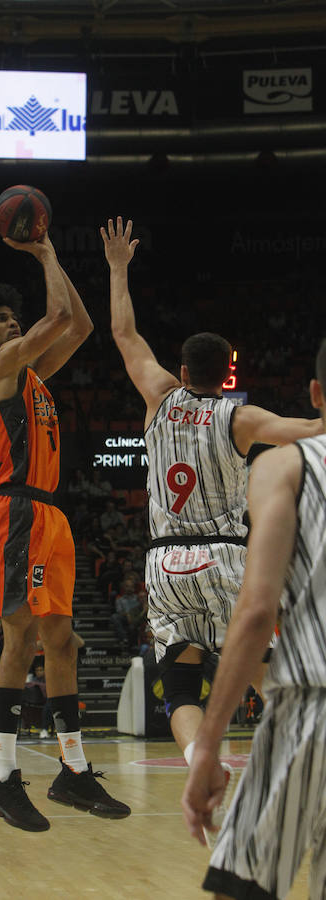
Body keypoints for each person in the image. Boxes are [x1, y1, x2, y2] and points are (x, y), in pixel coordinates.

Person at [101, 215, 324, 769]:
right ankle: (304, 757)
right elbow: (305, 430)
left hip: (163, 561)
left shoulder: (158, 396)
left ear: (179, 370)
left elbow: (124, 335)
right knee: (265, 667)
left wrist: (118, 269)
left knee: (179, 681)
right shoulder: (240, 416)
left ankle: (201, 756)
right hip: (224, 555)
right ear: (228, 373)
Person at [0, 230, 130, 832]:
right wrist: (48, 252)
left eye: (12, 318)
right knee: (21, 639)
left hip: (51, 514)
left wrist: (58, 263)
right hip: (18, 510)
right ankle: (1, 777)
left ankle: (73, 771)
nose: (12, 325)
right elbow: (56, 314)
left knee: (63, 642)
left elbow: (76, 326)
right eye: (1, 319)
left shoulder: (35, 376)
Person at [181, 339, 326, 900]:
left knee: (240, 891)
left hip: (311, 708)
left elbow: (256, 611)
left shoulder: (285, 464)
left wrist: (210, 747)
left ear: (314, 395)